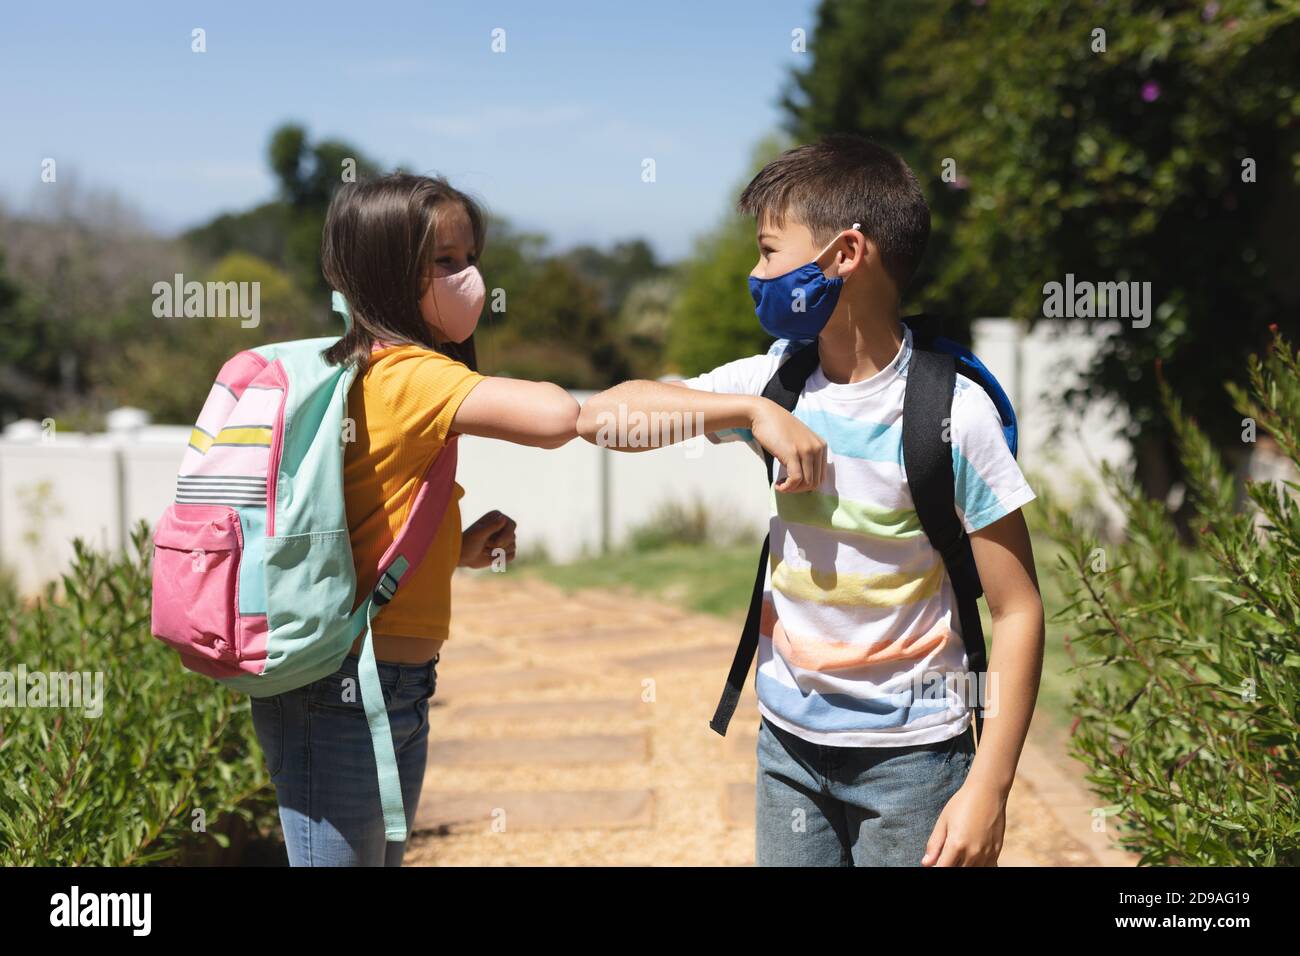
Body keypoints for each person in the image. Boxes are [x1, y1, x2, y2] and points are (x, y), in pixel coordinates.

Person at [577, 135, 1045, 866]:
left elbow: (1018, 610)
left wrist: (990, 785)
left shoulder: (954, 415)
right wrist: (749, 414)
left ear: (845, 255)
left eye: (769, 251)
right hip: (787, 747)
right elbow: (605, 418)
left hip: (914, 761)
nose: (754, 272)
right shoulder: (772, 383)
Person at [251, 172, 579, 866]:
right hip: (341, 685)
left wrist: (451, 550)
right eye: (447, 262)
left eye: (471, 258)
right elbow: (557, 415)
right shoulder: (409, 372)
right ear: (388, 271)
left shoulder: (382, 369)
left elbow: (368, 519)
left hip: (388, 682)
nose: (471, 279)